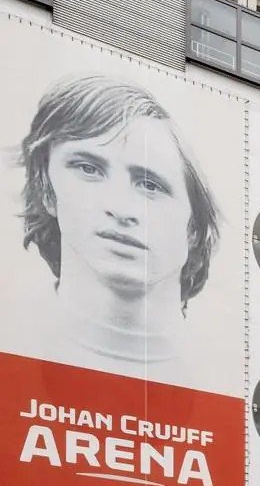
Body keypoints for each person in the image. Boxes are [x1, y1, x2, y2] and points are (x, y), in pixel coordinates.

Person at [16, 75, 219, 384]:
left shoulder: (221, 376)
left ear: (194, 226)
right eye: (89, 169)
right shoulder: (17, 344)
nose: (121, 209)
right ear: (46, 189)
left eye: (150, 185)